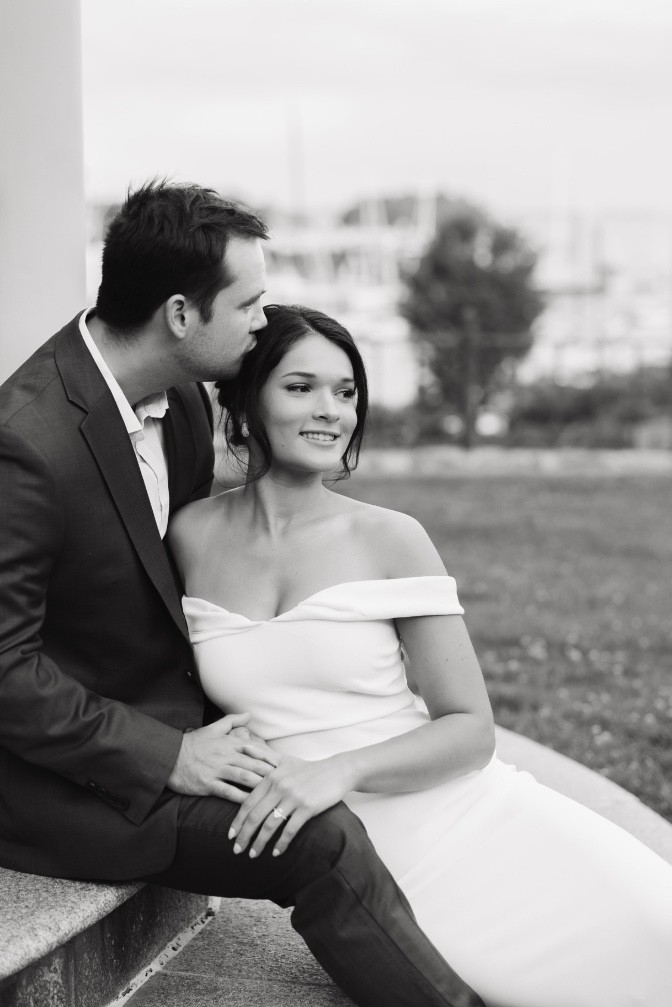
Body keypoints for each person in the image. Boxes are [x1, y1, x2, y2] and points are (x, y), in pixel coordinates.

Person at [0, 181, 485, 1007]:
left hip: (180, 726)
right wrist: (171, 754)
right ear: (180, 314)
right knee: (320, 838)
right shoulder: (26, 442)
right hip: (64, 783)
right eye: (250, 304)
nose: (264, 323)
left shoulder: (186, 400)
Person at [170, 303, 672, 1007]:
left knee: (653, 940)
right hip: (359, 869)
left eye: (346, 391)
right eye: (301, 387)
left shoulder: (392, 538)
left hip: (470, 826)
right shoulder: (189, 534)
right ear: (248, 402)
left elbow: (470, 729)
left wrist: (338, 770)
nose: (331, 410)